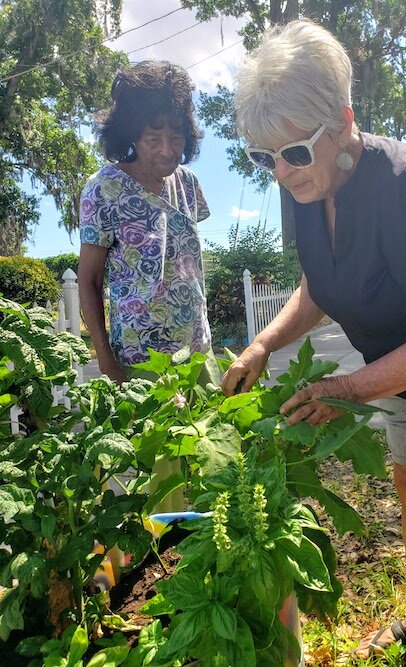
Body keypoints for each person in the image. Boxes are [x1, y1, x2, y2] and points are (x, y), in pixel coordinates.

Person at [221, 19, 406, 667]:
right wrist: (262, 343)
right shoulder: (306, 186)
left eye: (294, 153)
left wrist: (346, 387)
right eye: (266, 158)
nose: (282, 173)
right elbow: (318, 285)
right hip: (401, 365)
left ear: (345, 121)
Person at [79, 61, 217, 514]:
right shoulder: (103, 189)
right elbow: (89, 280)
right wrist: (104, 355)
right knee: (163, 476)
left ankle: (209, 554)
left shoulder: (188, 184)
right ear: (130, 134)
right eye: (153, 137)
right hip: (142, 359)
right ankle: (168, 565)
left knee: (211, 457)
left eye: (175, 136)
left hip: (197, 349)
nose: (166, 149)